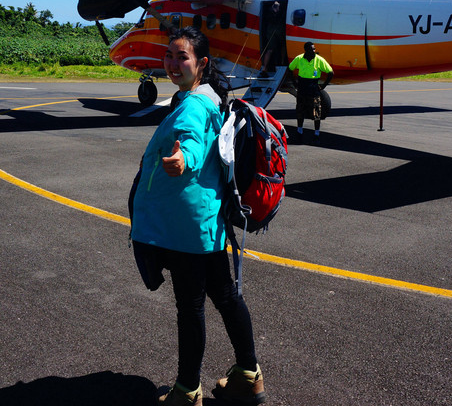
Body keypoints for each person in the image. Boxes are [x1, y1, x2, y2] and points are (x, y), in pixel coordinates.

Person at [130, 26, 265, 406]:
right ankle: (248, 375)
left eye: (182, 57)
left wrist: (180, 160)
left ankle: (187, 391)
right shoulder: (209, 97)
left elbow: (188, 142)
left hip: (187, 227)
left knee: (190, 307)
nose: (173, 64)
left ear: (201, 63)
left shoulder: (191, 106)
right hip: (207, 222)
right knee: (225, 296)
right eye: (169, 56)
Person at [288, 41, 333, 141]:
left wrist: (324, 85)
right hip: (302, 90)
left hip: (314, 90)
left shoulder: (319, 60)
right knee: (300, 112)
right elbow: (290, 69)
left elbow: (330, 72)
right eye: (312, 49)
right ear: (306, 50)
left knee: (316, 113)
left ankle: (316, 133)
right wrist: (294, 83)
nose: (314, 50)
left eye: (314, 49)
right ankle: (300, 131)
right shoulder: (299, 59)